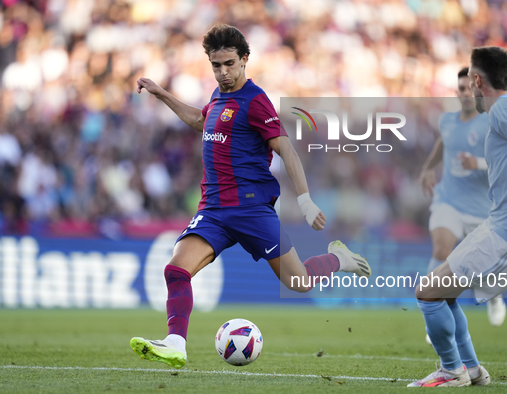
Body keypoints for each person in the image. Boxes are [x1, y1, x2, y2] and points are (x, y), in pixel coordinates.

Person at [129, 24, 371, 369]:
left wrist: (304, 200)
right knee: (175, 270)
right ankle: (175, 343)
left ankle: (340, 259)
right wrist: (161, 94)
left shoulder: (256, 101)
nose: (223, 72)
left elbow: (287, 150)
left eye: (229, 64)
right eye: (216, 66)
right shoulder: (217, 97)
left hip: (251, 210)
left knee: (299, 281)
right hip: (213, 210)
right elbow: (200, 120)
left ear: (244, 60)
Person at [409, 47, 507, 387]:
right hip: (498, 228)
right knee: (440, 293)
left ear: (476, 80)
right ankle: (470, 369)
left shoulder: (502, 110)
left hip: (505, 236)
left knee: (427, 293)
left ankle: (452, 371)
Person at [418, 67, 506, 341]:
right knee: (441, 248)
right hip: (449, 202)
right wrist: (428, 168)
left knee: (486, 269)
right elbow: (444, 144)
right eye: (460, 89)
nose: (465, 94)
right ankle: (434, 315)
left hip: (481, 209)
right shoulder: (448, 120)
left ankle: (494, 297)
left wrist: (477, 163)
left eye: (469, 88)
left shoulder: (491, 123)